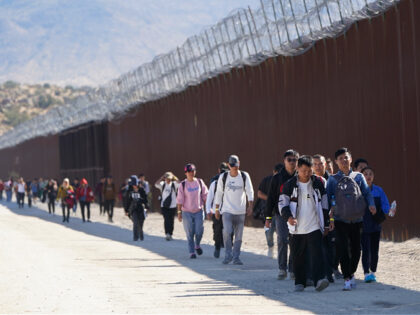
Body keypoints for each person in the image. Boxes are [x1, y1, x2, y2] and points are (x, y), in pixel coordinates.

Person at [326, 147, 376, 291]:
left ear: (351, 159)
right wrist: (330, 217)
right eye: (340, 158)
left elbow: (367, 193)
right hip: (340, 219)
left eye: (346, 157)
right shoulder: (333, 179)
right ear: (336, 162)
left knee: (356, 250)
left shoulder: (358, 177)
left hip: (357, 219)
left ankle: (351, 272)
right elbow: (328, 199)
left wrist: (371, 205)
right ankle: (347, 278)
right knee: (342, 249)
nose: (344, 160)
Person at [279, 155, 331, 292]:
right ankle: (299, 282)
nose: (307, 174)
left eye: (309, 171)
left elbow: (325, 205)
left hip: (314, 225)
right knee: (298, 256)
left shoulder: (318, 184)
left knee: (316, 254)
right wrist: (289, 217)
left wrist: (326, 223)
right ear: (297, 169)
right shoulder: (290, 185)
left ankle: (319, 280)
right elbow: (282, 204)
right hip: (296, 228)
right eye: (303, 171)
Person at [265, 149, 299, 280]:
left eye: (294, 160)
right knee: (282, 239)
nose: (292, 162)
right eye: (289, 160)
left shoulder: (300, 177)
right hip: (280, 215)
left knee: (295, 241)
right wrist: (268, 218)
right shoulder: (277, 178)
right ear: (284, 161)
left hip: (297, 214)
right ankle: (282, 268)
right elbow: (271, 199)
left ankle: (293, 269)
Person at [214, 155, 254, 265]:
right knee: (227, 231)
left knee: (239, 235)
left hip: (240, 211)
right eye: (232, 165)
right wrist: (217, 209)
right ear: (228, 165)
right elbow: (219, 193)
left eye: (236, 165)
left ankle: (236, 257)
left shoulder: (244, 176)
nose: (234, 167)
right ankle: (228, 255)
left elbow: (250, 191)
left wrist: (250, 206)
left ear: (239, 163)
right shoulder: (223, 177)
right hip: (227, 210)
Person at [361, 166, 395, 283]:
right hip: (363, 225)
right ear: (362, 177)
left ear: (373, 176)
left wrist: (390, 210)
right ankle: (366, 273)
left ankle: (373, 272)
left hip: (375, 225)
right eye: (366, 174)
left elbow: (385, 205)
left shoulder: (379, 190)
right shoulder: (359, 190)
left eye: (370, 174)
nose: (368, 176)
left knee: (374, 250)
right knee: (365, 250)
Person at [313, 154, 340, 282]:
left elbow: (334, 200)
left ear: (326, 165)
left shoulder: (332, 181)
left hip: (330, 219)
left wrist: (332, 219)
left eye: (320, 164)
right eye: (315, 164)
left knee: (331, 248)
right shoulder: (309, 180)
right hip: (313, 220)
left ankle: (330, 272)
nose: (318, 167)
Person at [176, 163, 208, 259]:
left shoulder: (199, 182)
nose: (191, 173)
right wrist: (179, 213)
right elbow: (179, 200)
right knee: (190, 232)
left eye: (193, 171)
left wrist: (209, 209)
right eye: (189, 171)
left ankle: (197, 244)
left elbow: (205, 196)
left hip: (198, 211)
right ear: (186, 173)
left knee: (199, 231)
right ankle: (192, 252)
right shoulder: (183, 184)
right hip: (187, 212)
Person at [255, 163, 283, 258]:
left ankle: (281, 251)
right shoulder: (267, 180)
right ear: (273, 172)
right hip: (269, 211)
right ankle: (270, 247)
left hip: (281, 212)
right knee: (269, 232)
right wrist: (270, 199)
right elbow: (259, 193)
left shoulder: (285, 181)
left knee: (281, 234)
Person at [206, 162, 229, 258]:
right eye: (222, 171)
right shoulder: (214, 183)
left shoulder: (231, 183)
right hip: (217, 210)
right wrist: (208, 210)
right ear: (219, 171)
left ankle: (228, 250)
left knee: (229, 231)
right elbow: (209, 198)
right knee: (217, 229)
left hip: (228, 210)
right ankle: (217, 247)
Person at [155, 172, 180, 241]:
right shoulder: (162, 184)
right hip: (164, 205)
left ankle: (170, 233)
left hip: (173, 205)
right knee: (166, 219)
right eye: (166, 178)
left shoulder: (174, 184)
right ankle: (167, 234)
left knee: (171, 220)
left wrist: (174, 176)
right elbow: (156, 184)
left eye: (169, 178)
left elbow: (180, 183)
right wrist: (161, 178)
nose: (168, 179)